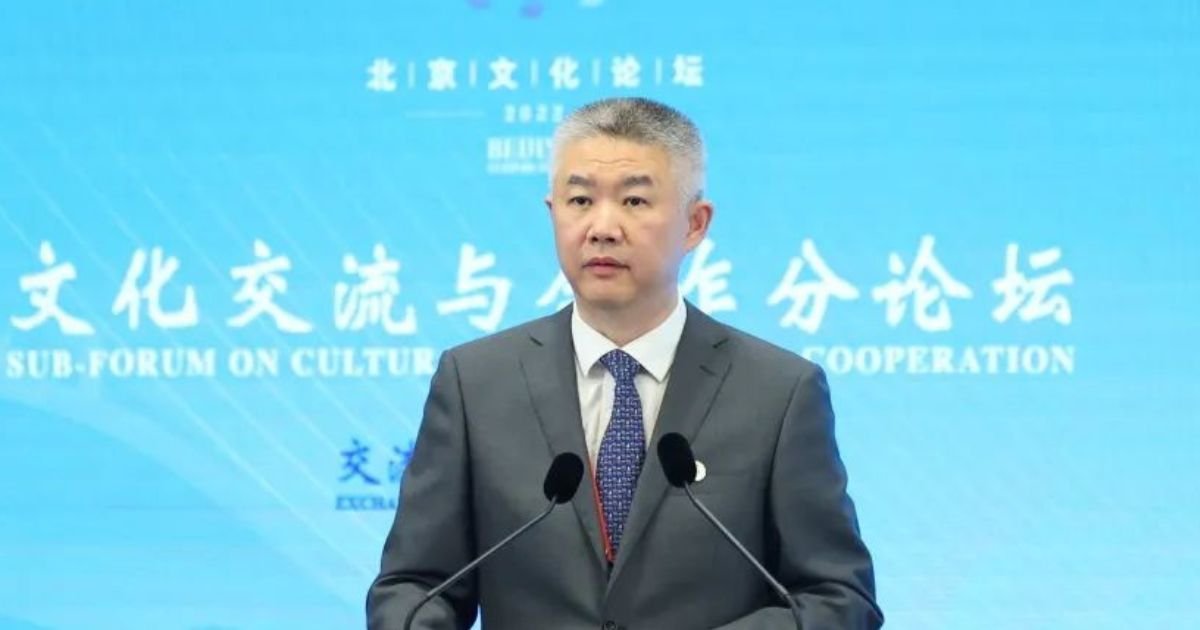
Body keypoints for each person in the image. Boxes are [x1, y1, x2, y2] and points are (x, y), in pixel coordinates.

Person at [367, 97, 882, 629]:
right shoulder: (475, 384)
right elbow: (414, 586)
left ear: (695, 224)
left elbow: (838, 598)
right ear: (552, 212)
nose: (602, 227)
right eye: (580, 200)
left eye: (634, 201)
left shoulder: (778, 392)